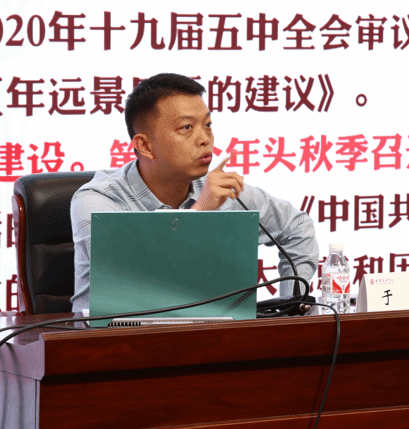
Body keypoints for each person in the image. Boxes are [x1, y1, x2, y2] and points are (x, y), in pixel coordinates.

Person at [70, 73, 319, 312]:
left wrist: (292, 304)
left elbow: (297, 227)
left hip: (210, 336)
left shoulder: (220, 192)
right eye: (186, 127)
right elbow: (131, 278)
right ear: (144, 145)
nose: (205, 139)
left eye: (208, 125)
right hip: (112, 337)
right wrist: (200, 212)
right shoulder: (98, 200)